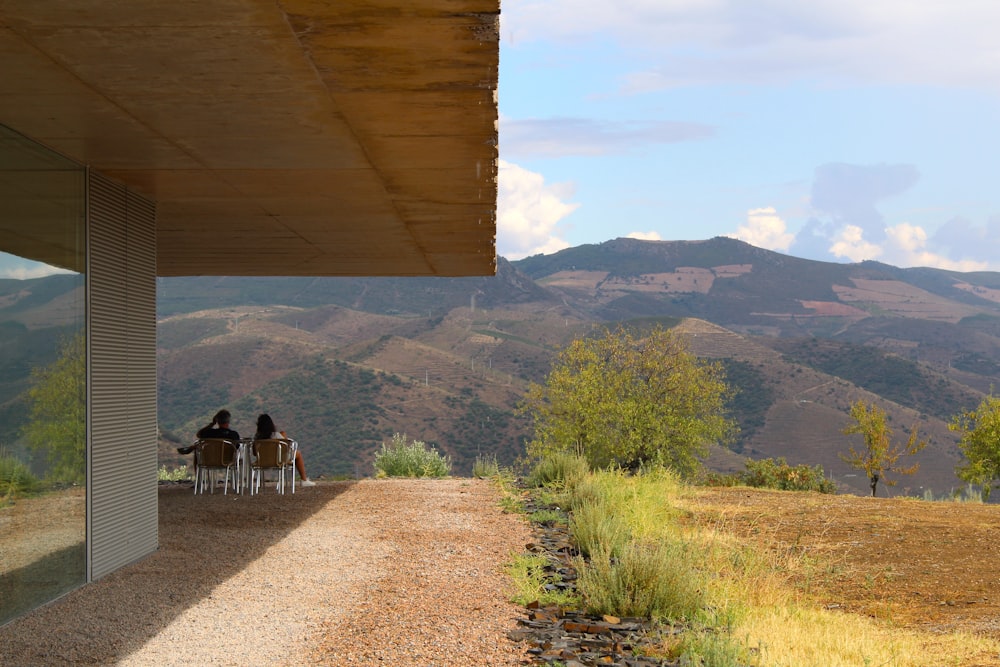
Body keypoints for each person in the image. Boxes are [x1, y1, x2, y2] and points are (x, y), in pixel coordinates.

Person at [254, 413, 315, 487]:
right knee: (298, 454)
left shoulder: (257, 440)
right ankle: (304, 479)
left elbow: (254, 453)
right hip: (278, 460)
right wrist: (284, 437)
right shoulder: (277, 435)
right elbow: (286, 449)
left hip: (262, 462)